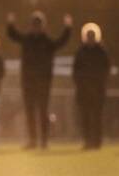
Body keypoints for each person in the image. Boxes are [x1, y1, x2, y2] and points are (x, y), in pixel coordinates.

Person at [7, 11, 72, 149]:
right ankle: (32, 140)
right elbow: (13, 35)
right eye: (34, 25)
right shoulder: (27, 40)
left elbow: (61, 41)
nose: (36, 27)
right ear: (31, 26)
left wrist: (68, 27)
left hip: (44, 82)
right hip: (28, 82)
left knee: (43, 111)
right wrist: (10, 23)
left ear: (43, 26)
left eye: (38, 25)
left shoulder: (47, 42)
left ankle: (44, 140)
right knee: (29, 111)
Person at [72, 22, 111, 150]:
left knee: (97, 117)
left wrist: (99, 83)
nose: (90, 38)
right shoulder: (80, 52)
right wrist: (80, 84)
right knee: (85, 117)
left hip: (98, 90)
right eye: (88, 36)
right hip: (83, 90)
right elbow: (76, 71)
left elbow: (106, 70)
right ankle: (87, 141)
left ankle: (97, 142)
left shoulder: (102, 52)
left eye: (92, 36)